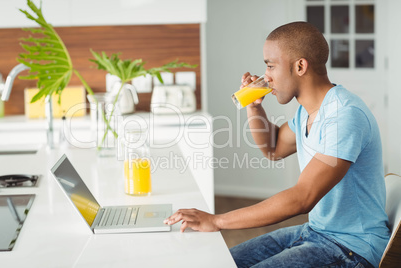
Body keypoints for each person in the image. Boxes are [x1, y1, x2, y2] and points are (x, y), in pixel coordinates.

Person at [164, 21, 390, 268]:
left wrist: (217, 220)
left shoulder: (345, 116)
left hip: (352, 249)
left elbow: (302, 198)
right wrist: (254, 106)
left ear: (300, 66)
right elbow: (273, 148)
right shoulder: (307, 112)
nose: (266, 77)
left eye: (270, 66)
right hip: (315, 231)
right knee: (220, 263)